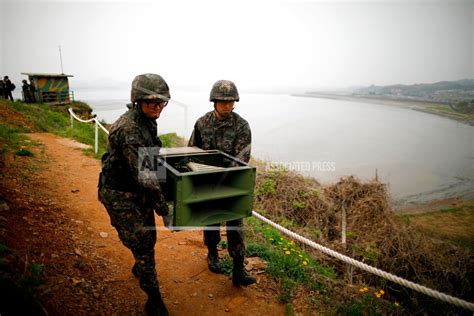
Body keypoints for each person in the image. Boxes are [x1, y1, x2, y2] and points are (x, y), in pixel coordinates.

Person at [98, 73, 171, 316]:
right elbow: (145, 175)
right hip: (120, 194)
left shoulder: (147, 119)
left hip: (137, 190)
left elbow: (152, 157)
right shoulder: (128, 129)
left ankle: (140, 264)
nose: (158, 107)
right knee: (143, 246)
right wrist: (163, 205)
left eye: (161, 103)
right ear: (138, 100)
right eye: (152, 102)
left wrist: (161, 192)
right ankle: (154, 300)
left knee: (147, 240)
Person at [188, 80, 256, 286]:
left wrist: (225, 183)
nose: (227, 105)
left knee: (235, 226)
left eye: (231, 101)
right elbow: (192, 151)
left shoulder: (241, 126)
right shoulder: (202, 123)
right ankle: (212, 254)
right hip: (207, 182)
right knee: (211, 222)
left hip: (232, 185)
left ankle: (238, 270)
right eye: (223, 101)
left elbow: (242, 158)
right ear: (214, 101)